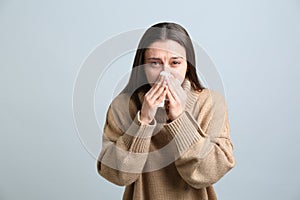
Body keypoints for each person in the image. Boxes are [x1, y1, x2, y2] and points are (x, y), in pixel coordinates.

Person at [96, 22, 235, 200]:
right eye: (155, 63)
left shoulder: (211, 102)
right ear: (142, 66)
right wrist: (143, 121)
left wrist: (179, 119)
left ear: (188, 65)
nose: (165, 74)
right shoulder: (123, 106)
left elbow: (208, 173)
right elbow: (117, 175)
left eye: (175, 63)